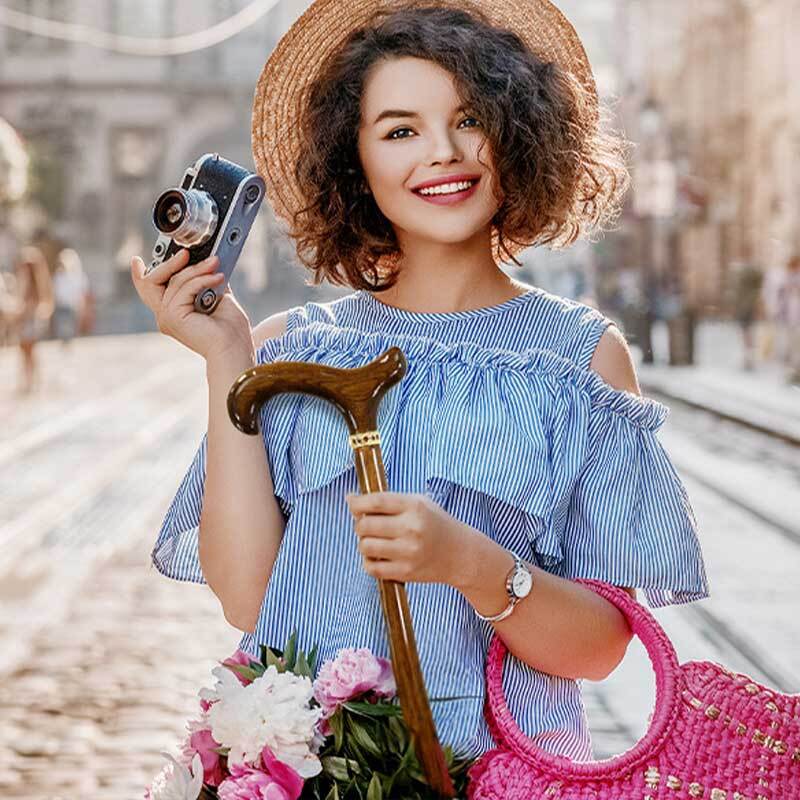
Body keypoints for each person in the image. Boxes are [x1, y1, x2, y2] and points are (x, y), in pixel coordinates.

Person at [131, 0, 709, 764]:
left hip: (498, 774)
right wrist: (226, 358)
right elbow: (247, 599)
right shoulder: (286, 352)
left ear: (518, 134)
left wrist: (469, 564)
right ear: (354, 162)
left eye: (470, 120)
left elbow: (600, 651)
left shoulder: (581, 358)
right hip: (306, 770)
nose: (442, 152)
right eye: (400, 130)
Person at [12, 245, 54, 394]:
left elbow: (45, 302)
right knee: (24, 352)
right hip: (23, 319)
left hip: (31, 321)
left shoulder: (39, 281)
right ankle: (27, 380)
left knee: (30, 352)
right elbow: (19, 299)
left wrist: (35, 311)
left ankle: (32, 381)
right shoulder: (22, 280)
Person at [51, 247, 89, 347]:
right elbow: (55, 290)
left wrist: (82, 306)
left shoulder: (78, 276)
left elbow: (82, 291)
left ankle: (68, 342)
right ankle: (64, 341)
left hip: (72, 305)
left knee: (69, 325)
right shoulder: (58, 276)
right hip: (61, 305)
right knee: (62, 325)